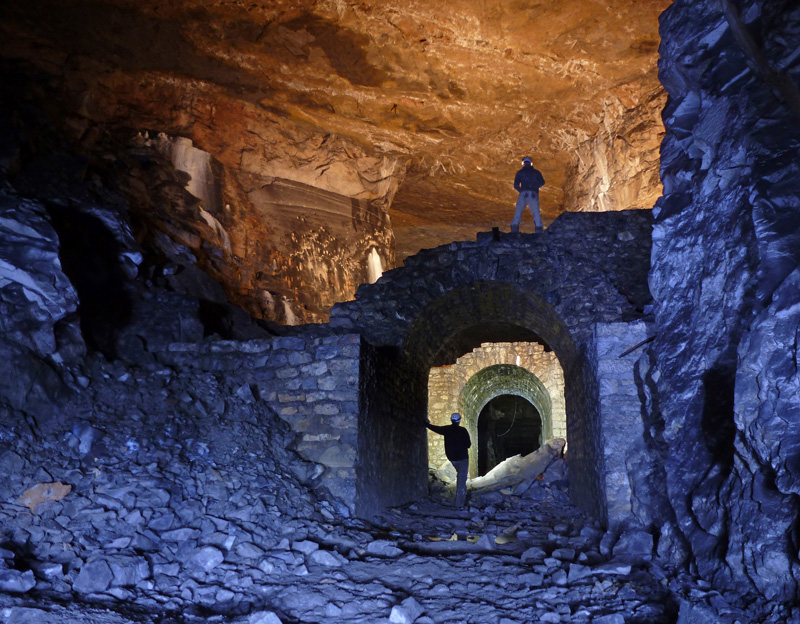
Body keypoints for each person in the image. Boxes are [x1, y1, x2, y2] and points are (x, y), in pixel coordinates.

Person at [426, 413, 471, 507]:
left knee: (460, 475)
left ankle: (460, 498)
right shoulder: (463, 430)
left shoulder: (446, 429)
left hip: (452, 458)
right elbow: (468, 445)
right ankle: (459, 503)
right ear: (459, 420)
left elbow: (436, 428)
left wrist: (427, 424)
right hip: (462, 458)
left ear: (451, 420)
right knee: (461, 479)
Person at [511, 156, 545, 233]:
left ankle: (514, 230)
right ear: (531, 163)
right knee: (536, 213)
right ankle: (539, 230)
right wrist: (535, 187)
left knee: (518, 212)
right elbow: (542, 182)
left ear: (523, 163)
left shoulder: (520, 172)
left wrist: (521, 190)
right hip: (533, 194)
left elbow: (516, 185)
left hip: (523, 193)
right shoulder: (536, 172)